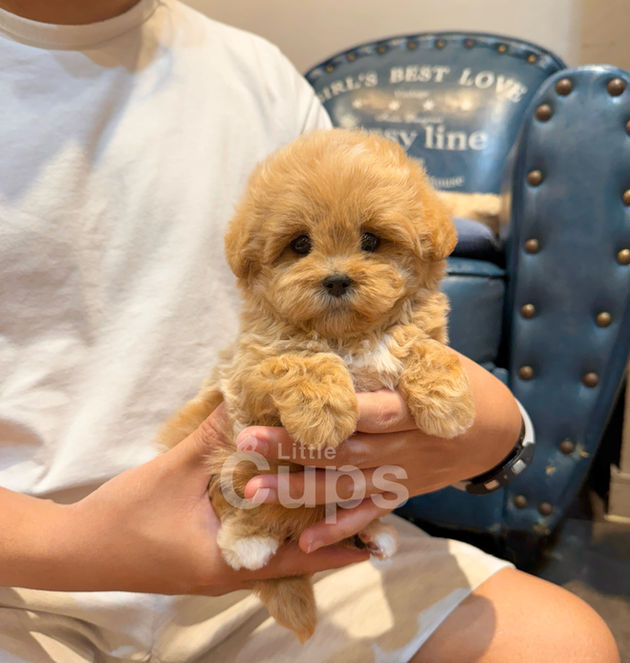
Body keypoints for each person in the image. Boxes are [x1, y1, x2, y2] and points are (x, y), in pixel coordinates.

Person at [0, 0, 620, 661]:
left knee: (559, 643)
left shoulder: (259, 75)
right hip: (26, 574)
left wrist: (495, 429)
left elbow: (400, 320)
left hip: (294, 531)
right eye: (297, 245)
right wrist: (76, 548)